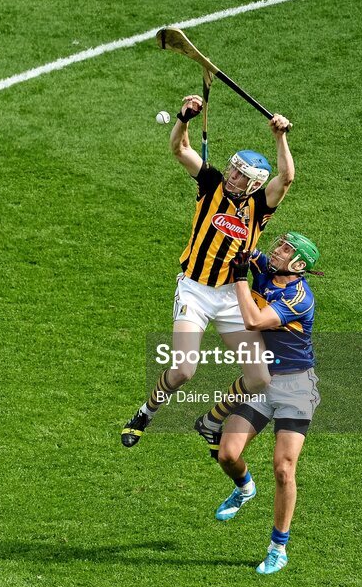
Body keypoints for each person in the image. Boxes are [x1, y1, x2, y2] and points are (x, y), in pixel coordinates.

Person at [120, 94, 294, 448]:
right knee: (184, 370)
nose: (232, 176)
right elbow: (180, 149)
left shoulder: (260, 206)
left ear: (254, 185)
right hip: (195, 290)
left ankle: (211, 419)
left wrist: (280, 137)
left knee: (260, 378)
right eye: (233, 169)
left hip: (231, 296)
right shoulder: (211, 183)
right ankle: (146, 412)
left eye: (240, 175)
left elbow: (287, 177)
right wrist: (183, 118)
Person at [202, 232, 320, 575]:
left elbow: (254, 320)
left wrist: (240, 279)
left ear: (298, 265)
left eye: (286, 249)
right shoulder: (266, 269)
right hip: (263, 381)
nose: (277, 250)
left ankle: (277, 548)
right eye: (280, 244)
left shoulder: (299, 298)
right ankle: (244, 488)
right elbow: (240, 246)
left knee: (284, 468)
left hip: (296, 388)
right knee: (227, 454)